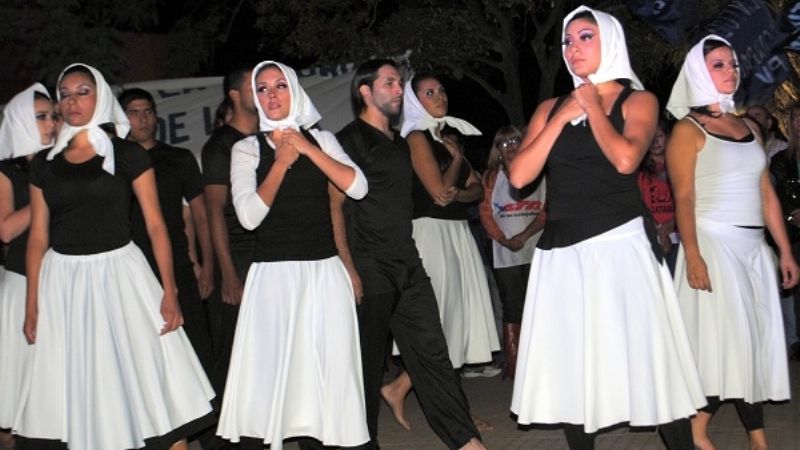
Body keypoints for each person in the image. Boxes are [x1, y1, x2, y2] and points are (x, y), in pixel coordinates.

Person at [508, 6, 704, 449]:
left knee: (647, 360)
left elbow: (624, 159)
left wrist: (593, 106)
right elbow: (519, 176)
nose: (572, 48)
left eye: (585, 38)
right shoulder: (549, 107)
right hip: (561, 252)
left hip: (618, 245)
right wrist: (561, 116)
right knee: (575, 368)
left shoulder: (639, 100)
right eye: (568, 41)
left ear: (610, 42)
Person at [15, 63, 215, 450]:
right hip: (64, 283)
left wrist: (169, 290)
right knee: (78, 384)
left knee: (151, 387)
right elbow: (38, 237)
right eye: (66, 94)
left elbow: (157, 225)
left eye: (83, 91)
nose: (73, 101)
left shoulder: (128, 155)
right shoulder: (45, 163)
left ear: (100, 96)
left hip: (121, 276)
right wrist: (32, 303)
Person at [331, 58, 486, 450]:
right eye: (389, 83)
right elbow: (333, 206)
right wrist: (348, 268)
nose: (399, 89)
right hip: (368, 265)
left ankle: (466, 441)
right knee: (366, 365)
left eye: (400, 83)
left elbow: (451, 191)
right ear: (365, 91)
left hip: (407, 261)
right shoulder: (348, 140)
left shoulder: (402, 143)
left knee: (432, 355)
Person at [215, 60, 369, 450]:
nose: (271, 95)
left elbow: (358, 188)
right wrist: (281, 163)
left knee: (326, 377)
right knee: (272, 379)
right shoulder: (245, 148)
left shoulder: (324, 139)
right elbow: (248, 217)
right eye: (262, 88)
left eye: (280, 86)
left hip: (323, 273)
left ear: (294, 91)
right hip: (273, 278)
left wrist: (305, 147)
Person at [667, 35, 799, 450]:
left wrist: (785, 251)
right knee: (731, 349)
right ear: (698, 74)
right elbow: (683, 198)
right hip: (714, 246)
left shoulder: (747, 127)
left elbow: (766, 194)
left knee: (752, 347)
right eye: (719, 65)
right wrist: (693, 255)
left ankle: (752, 437)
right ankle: (700, 430)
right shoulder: (687, 132)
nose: (731, 71)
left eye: (733, 64)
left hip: (753, 250)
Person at [377, 74, 500, 430]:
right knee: (439, 324)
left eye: (441, 90)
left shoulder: (444, 137)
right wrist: (458, 160)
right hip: (430, 233)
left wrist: (458, 172)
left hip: (457, 232)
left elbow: (475, 192)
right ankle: (401, 387)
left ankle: (453, 409)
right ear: (415, 102)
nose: (440, 97)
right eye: (429, 92)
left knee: (457, 325)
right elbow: (437, 192)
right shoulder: (416, 137)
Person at [118, 87, 216, 388]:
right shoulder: (112, 161)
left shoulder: (178, 158)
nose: (143, 119)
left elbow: (200, 215)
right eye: (134, 113)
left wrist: (206, 265)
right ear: (121, 118)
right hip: (131, 266)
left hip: (176, 260)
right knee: (144, 346)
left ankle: (210, 423)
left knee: (195, 341)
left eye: (147, 111)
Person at [0, 83, 56, 450]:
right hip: (22, 284)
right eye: (40, 117)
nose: (50, 123)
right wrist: (43, 192)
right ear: (20, 121)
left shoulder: (63, 164)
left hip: (60, 282)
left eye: (52, 115)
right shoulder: (8, 171)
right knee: (16, 392)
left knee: (49, 393)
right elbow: (5, 229)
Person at [200, 67, 259, 411]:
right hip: (236, 256)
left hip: (269, 254)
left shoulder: (268, 137)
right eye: (255, 86)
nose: (264, 91)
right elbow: (213, 213)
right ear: (235, 94)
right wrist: (228, 273)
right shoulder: (221, 146)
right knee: (234, 353)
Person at [479, 125, 546, 381]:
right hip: (503, 251)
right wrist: (503, 239)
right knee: (512, 306)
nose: (511, 147)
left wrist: (523, 237)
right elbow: (485, 212)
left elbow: (544, 210)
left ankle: (541, 361)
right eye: (504, 143)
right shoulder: (491, 178)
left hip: (536, 247)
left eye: (515, 141)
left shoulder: (539, 173)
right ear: (497, 149)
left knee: (539, 304)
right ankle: (515, 365)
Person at [770, 103, 800, 359]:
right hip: (794, 234)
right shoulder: (781, 159)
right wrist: (792, 213)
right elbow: (775, 196)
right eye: (797, 118)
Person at [638, 118, 678, 274]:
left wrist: (673, 223)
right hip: (651, 237)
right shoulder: (638, 170)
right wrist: (659, 233)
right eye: (650, 136)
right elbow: (638, 205)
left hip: (679, 237)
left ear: (668, 136)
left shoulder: (679, 165)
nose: (655, 141)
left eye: (659, 135)